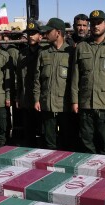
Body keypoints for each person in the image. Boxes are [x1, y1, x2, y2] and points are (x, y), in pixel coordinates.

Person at [71, 10, 105, 155]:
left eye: (99, 23)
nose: (96, 26)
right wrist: (74, 100)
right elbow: (76, 76)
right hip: (86, 103)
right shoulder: (81, 47)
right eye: (93, 23)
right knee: (86, 142)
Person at [33, 18, 74, 150]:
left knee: (67, 140)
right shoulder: (44, 53)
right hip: (47, 104)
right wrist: (36, 99)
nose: (45, 35)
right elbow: (37, 79)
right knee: (49, 142)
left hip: (65, 106)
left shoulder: (71, 52)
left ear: (58, 32)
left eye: (48, 31)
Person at [16, 20, 43, 147]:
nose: (31, 36)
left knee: (42, 132)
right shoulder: (22, 54)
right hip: (26, 98)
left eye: (34, 33)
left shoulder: (44, 52)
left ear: (40, 36)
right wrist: (18, 97)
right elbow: (19, 78)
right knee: (28, 132)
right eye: (29, 33)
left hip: (40, 99)